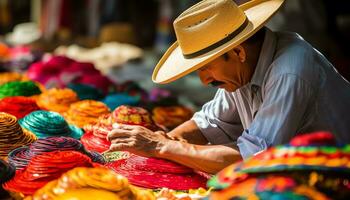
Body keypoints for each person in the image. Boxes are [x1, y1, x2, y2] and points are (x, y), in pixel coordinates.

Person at [107, 0, 350, 174]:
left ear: (237, 52)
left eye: (206, 68)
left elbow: (253, 157)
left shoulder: (289, 71)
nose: (204, 80)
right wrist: (168, 138)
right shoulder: (242, 70)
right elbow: (209, 123)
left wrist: (161, 146)